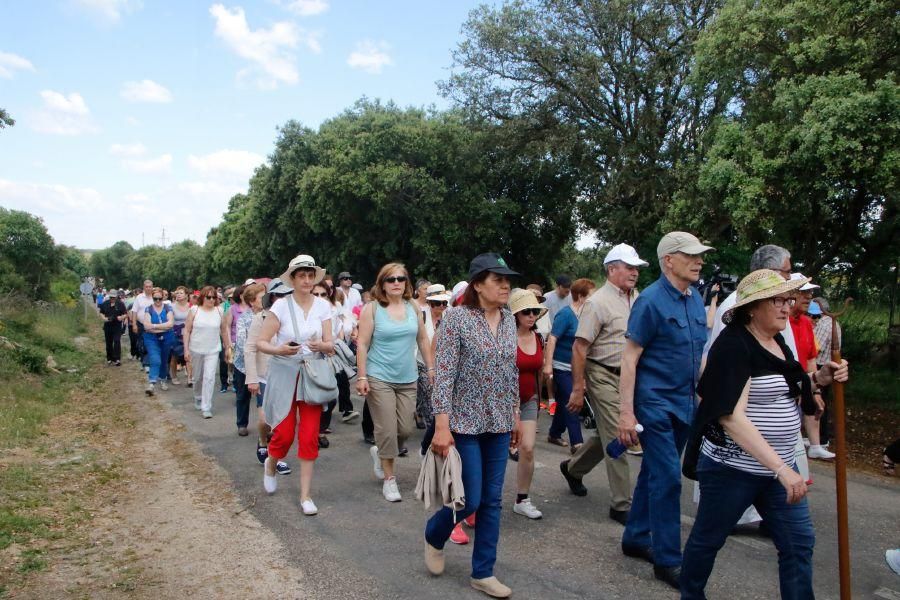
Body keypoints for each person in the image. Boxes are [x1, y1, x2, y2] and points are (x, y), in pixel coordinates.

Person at [680, 269, 850, 598]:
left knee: (799, 544)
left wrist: (821, 379)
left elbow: (788, 389)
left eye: (788, 299)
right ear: (753, 307)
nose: (788, 306)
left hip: (778, 467)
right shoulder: (733, 346)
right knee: (708, 540)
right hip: (733, 470)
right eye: (778, 300)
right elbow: (730, 416)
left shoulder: (778, 342)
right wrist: (782, 469)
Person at [616, 231, 714, 589]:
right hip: (654, 404)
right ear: (668, 260)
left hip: (684, 405)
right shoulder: (651, 301)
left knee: (655, 474)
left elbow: (696, 356)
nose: (699, 260)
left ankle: (636, 536)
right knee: (670, 479)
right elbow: (629, 359)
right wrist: (626, 414)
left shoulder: (694, 298)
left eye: (700, 255)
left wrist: (709, 396)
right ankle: (669, 560)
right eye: (691, 255)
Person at [424, 252, 520, 599]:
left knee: (493, 501)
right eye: (498, 279)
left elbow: (510, 371)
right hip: (463, 423)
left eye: (507, 279)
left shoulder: (509, 320)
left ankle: (483, 572)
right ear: (478, 285)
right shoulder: (456, 319)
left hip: (497, 422)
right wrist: (441, 426)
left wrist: (514, 416)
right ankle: (435, 534)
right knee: (471, 499)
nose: (506, 284)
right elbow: (445, 375)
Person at [561, 243, 648, 527]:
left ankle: (573, 468)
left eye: (637, 268)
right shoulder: (597, 302)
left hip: (630, 375)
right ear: (612, 269)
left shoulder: (639, 298)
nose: (635, 272)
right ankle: (622, 504)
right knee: (620, 436)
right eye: (629, 267)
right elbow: (579, 347)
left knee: (609, 432)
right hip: (603, 373)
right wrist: (578, 387)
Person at [257, 255, 333, 516]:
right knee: (285, 433)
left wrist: (321, 345)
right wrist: (280, 349)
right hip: (285, 373)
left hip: (312, 375)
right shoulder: (280, 307)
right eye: (302, 275)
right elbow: (262, 342)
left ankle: (305, 495)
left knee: (310, 436)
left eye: (311, 275)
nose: (308, 280)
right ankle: (272, 462)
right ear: (293, 278)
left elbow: (330, 343)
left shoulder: (323, 306)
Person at [355, 263, 435, 502]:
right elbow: (362, 343)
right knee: (387, 430)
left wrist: (431, 367)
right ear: (382, 284)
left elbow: (422, 338)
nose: (396, 283)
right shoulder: (372, 309)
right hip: (379, 376)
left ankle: (380, 451)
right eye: (391, 279)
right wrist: (362, 376)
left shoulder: (412, 306)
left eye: (401, 278)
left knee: (406, 429)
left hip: (408, 376)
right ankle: (390, 479)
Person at [244, 279, 292, 476]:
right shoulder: (260, 318)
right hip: (264, 375)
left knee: (280, 420)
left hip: (287, 375)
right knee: (265, 419)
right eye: (278, 295)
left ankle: (277, 456)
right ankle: (263, 441)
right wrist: (252, 377)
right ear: (271, 297)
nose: (282, 298)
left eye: (285, 295)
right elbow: (250, 347)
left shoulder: (294, 318)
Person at [509, 288, 547, 520]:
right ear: (515, 315)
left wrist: (541, 399)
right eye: (526, 312)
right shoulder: (505, 337)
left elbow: (540, 372)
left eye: (534, 311)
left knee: (528, 447)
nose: (531, 316)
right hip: (505, 401)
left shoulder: (539, 337)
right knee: (490, 450)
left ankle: (522, 499)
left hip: (529, 398)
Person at [789, 274, 835, 461]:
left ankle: (815, 445)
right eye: (803, 292)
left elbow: (810, 358)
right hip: (785, 388)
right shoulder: (780, 322)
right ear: (790, 293)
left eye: (810, 292)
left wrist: (815, 391)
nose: (809, 296)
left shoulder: (807, 322)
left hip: (803, 383)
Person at [544, 278, 594, 450]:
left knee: (564, 400)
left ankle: (554, 433)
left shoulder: (588, 317)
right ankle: (577, 443)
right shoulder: (566, 314)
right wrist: (548, 365)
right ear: (581, 297)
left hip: (577, 368)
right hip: (561, 367)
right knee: (573, 400)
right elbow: (552, 339)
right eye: (591, 296)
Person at [182, 285, 231, 418]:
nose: (211, 300)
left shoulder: (219, 311)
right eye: (208, 297)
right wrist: (186, 349)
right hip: (196, 348)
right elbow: (186, 330)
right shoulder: (194, 310)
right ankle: (198, 396)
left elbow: (224, 330)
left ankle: (206, 406)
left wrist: (228, 348)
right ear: (202, 298)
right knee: (197, 377)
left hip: (213, 349)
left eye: (214, 297)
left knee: (209, 378)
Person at [233, 283, 266, 436]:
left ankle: (266, 426)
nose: (265, 299)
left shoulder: (269, 315)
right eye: (261, 297)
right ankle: (242, 423)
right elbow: (241, 343)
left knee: (263, 398)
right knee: (243, 395)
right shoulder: (244, 318)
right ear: (252, 301)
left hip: (264, 364)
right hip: (244, 363)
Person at [416, 284, 450, 430]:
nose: (442, 306)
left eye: (444, 303)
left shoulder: (450, 317)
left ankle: (423, 413)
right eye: (437, 303)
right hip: (421, 363)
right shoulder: (421, 316)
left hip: (443, 364)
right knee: (429, 392)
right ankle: (433, 429)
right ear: (429, 303)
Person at [811, 297, 841, 448]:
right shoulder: (831, 322)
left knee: (819, 403)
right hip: (826, 365)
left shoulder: (824, 323)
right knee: (820, 402)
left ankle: (821, 439)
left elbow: (816, 347)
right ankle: (818, 437)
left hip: (821, 365)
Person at [141, 288, 175, 396]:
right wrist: (163, 327)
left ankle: (163, 378)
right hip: (151, 338)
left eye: (160, 299)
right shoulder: (148, 309)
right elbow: (146, 326)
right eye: (155, 299)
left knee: (164, 359)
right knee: (155, 359)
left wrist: (154, 326)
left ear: (163, 298)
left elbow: (170, 324)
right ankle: (152, 383)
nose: (157, 301)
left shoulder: (167, 308)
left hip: (167, 337)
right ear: (152, 298)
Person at [169, 286, 191, 385]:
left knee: (189, 355)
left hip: (189, 333)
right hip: (176, 333)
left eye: (181, 293)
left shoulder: (191, 306)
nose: (178, 294)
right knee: (174, 356)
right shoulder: (171, 306)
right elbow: (169, 320)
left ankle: (190, 378)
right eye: (177, 293)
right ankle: (174, 376)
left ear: (186, 295)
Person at [130, 280, 155, 370]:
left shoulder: (155, 297)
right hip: (141, 324)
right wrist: (134, 324)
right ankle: (143, 361)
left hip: (153, 325)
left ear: (152, 287)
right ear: (144, 287)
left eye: (150, 286)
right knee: (142, 343)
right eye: (146, 287)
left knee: (151, 343)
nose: (148, 288)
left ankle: (148, 362)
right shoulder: (139, 297)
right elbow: (134, 311)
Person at [99, 289, 128, 366]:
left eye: (114, 297)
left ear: (116, 296)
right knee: (109, 342)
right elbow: (101, 312)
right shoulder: (105, 303)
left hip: (117, 326)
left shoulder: (120, 304)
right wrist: (104, 318)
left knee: (117, 341)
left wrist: (121, 317)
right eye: (111, 297)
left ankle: (117, 359)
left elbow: (125, 313)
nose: (112, 299)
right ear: (109, 296)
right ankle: (109, 358)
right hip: (107, 325)